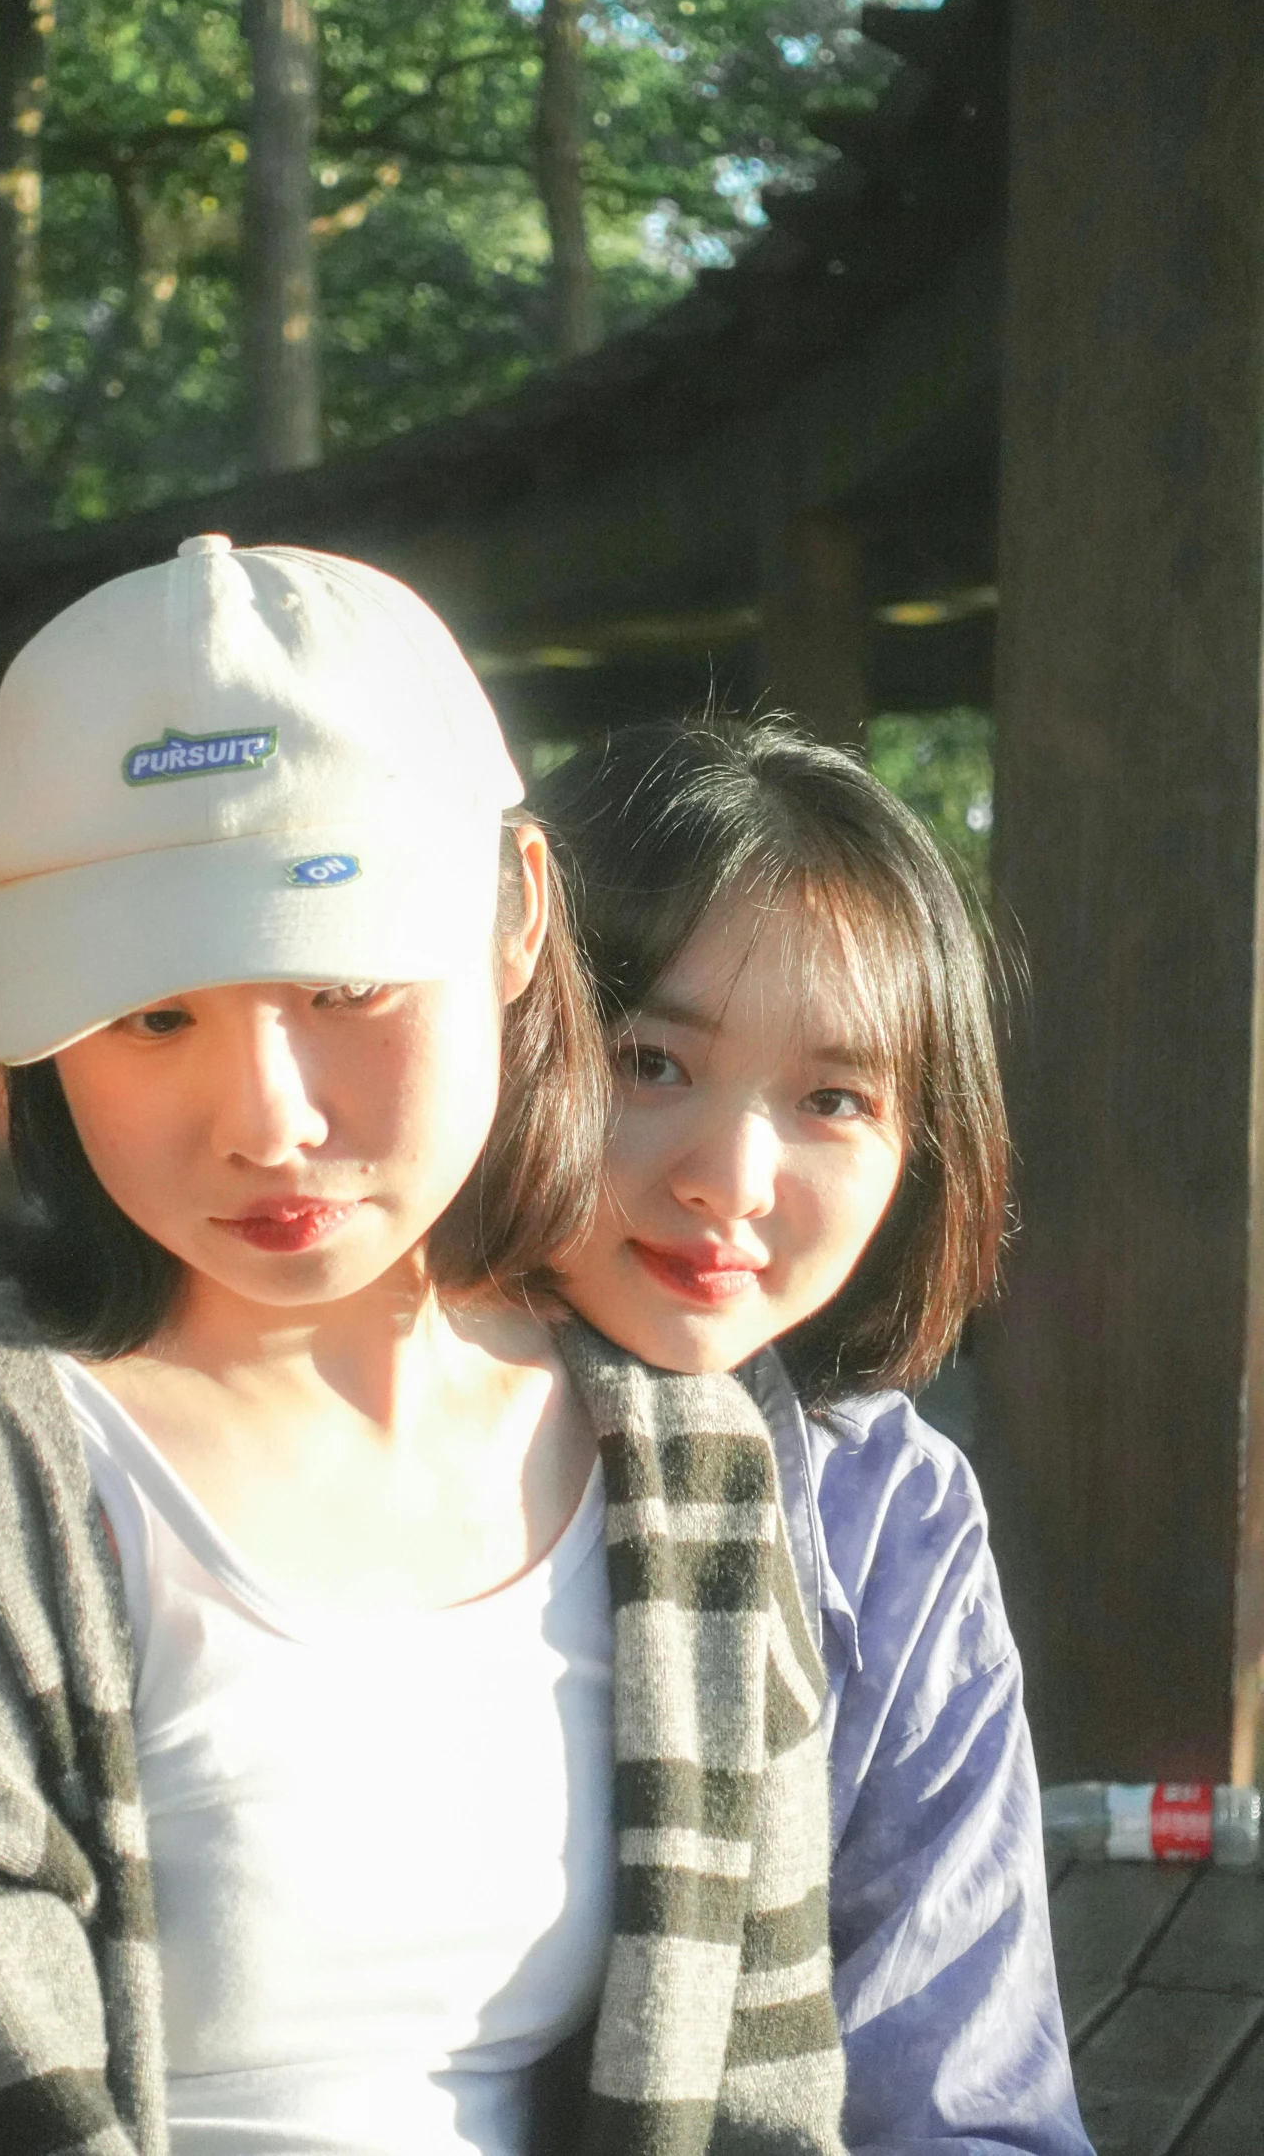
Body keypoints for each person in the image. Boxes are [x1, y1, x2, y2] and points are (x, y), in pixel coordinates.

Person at [0, 543, 846, 2155]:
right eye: (151, 1014)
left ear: (517, 914)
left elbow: (767, 2094)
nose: (267, 1119)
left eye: (344, 982)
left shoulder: (692, 1471)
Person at [534, 717, 1093, 2156]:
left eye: (832, 1098)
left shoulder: (888, 1516)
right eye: (650, 1059)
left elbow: (962, 2101)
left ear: (924, 1146)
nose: (731, 1178)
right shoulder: (335, 1427)